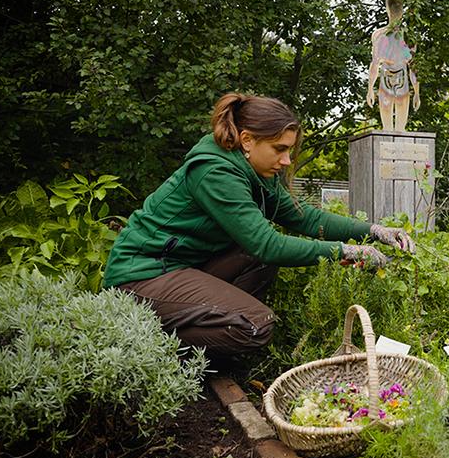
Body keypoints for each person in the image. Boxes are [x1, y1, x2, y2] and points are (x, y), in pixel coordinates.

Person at [103, 93, 414, 358]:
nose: (287, 160)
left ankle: (219, 340)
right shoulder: (216, 173)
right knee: (256, 325)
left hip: (182, 267)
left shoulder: (253, 171)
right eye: (280, 149)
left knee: (258, 261)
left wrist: (373, 231)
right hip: (143, 275)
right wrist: (346, 251)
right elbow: (266, 243)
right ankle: (152, 345)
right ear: (247, 139)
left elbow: (305, 217)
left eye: (289, 150)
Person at [366, 0, 420, 132]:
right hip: (388, 76)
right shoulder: (380, 35)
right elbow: (375, 64)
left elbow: (413, 67)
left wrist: (417, 92)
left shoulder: (408, 36)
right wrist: (370, 89)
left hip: (399, 77)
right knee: (388, 129)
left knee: (400, 128)